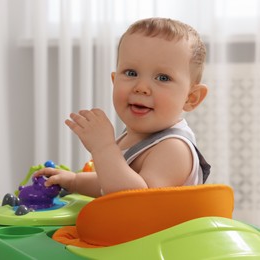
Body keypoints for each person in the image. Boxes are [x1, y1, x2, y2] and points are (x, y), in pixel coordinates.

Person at [34, 17, 210, 198]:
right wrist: (73, 181)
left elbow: (137, 199)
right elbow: (110, 183)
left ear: (191, 98)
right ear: (114, 80)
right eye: (131, 73)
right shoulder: (131, 137)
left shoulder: (174, 148)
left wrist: (104, 148)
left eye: (163, 78)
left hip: (164, 227)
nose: (141, 87)